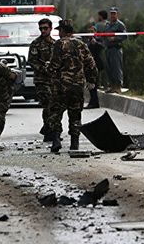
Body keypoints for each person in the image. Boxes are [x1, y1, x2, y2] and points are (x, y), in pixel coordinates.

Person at [46, 19, 98, 153]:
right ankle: (74, 143)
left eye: (59, 31)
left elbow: (55, 65)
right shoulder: (81, 44)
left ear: (63, 31)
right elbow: (91, 64)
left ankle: (56, 140)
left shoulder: (59, 44)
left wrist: (48, 69)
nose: (59, 33)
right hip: (77, 86)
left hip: (61, 86)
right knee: (75, 114)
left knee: (55, 113)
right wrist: (91, 80)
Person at [28, 18, 56, 142]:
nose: (43, 31)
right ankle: (50, 131)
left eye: (45, 28)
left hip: (54, 80)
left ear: (50, 28)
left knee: (55, 106)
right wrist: (43, 68)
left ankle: (50, 128)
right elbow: (32, 61)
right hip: (42, 80)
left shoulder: (55, 44)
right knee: (48, 104)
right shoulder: (36, 44)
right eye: (41, 28)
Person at [104, 7, 126, 93]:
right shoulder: (107, 25)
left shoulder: (120, 25)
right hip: (108, 48)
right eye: (111, 13)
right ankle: (112, 86)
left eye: (114, 13)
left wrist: (115, 38)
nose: (112, 15)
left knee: (116, 68)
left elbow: (125, 36)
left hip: (116, 49)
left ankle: (118, 86)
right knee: (109, 68)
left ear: (117, 14)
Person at [85, 24, 105, 109]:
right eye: (89, 31)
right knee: (90, 85)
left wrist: (95, 43)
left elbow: (102, 46)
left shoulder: (98, 39)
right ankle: (93, 101)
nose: (90, 33)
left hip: (96, 65)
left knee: (94, 84)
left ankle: (94, 102)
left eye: (92, 31)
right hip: (88, 65)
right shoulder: (87, 40)